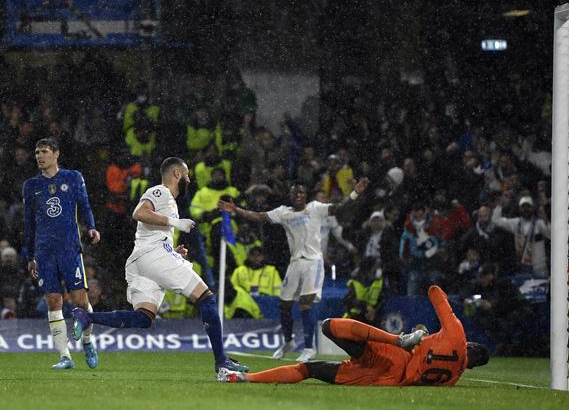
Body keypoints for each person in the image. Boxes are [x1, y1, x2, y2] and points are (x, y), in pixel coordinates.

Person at [71, 157, 247, 375]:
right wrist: (175, 223)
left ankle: (86, 316)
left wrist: (173, 253)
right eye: (187, 174)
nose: (189, 179)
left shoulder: (170, 202)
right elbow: (139, 213)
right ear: (176, 175)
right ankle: (222, 362)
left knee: (144, 318)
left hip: (144, 261)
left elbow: (151, 234)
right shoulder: (161, 191)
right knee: (207, 298)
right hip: (153, 258)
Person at [218, 177, 370, 362]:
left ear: (305, 196)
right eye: (295, 192)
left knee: (306, 302)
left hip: (313, 262)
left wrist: (355, 193)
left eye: (301, 193)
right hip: (295, 263)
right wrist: (236, 210)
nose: (298, 195)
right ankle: (288, 342)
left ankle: (309, 347)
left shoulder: (315, 208)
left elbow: (339, 207)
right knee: (284, 305)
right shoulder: (284, 213)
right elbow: (259, 216)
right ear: (290, 196)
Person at [217, 285, 489, 385]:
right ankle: (244, 378)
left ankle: (397, 338)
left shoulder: (457, 336)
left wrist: (423, 331)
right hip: (386, 379)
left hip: (393, 355)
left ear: (470, 344)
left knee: (328, 326)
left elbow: (435, 292)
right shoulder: (453, 378)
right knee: (309, 370)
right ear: (471, 366)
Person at [22, 138, 101, 370]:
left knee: (80, 301)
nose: (39, 156)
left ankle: (87, 341)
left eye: (44, 151)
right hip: (44, 251)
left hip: (69, 248)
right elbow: (28, 222)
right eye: (37, 152)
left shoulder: (73, 177)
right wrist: (29, 255)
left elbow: (84, 205)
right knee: (53, 301)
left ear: (56, 154)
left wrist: (92, 226)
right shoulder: (30, 185)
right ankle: (64, 356)